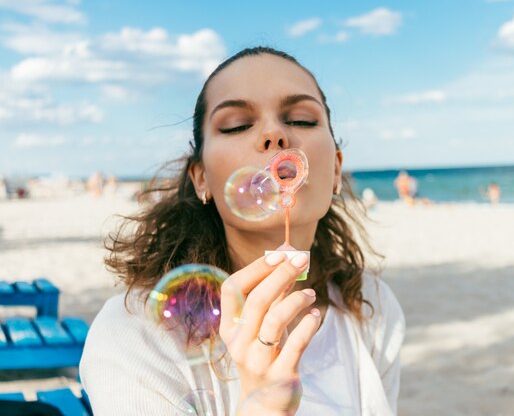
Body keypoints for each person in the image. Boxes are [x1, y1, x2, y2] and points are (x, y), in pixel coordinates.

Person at [79, 47, 405, 416]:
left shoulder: (372, 306)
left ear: (334, 170)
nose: (274, 133)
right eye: (236, 124)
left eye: (301, 120)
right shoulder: (136, 335)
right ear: (201, 178)